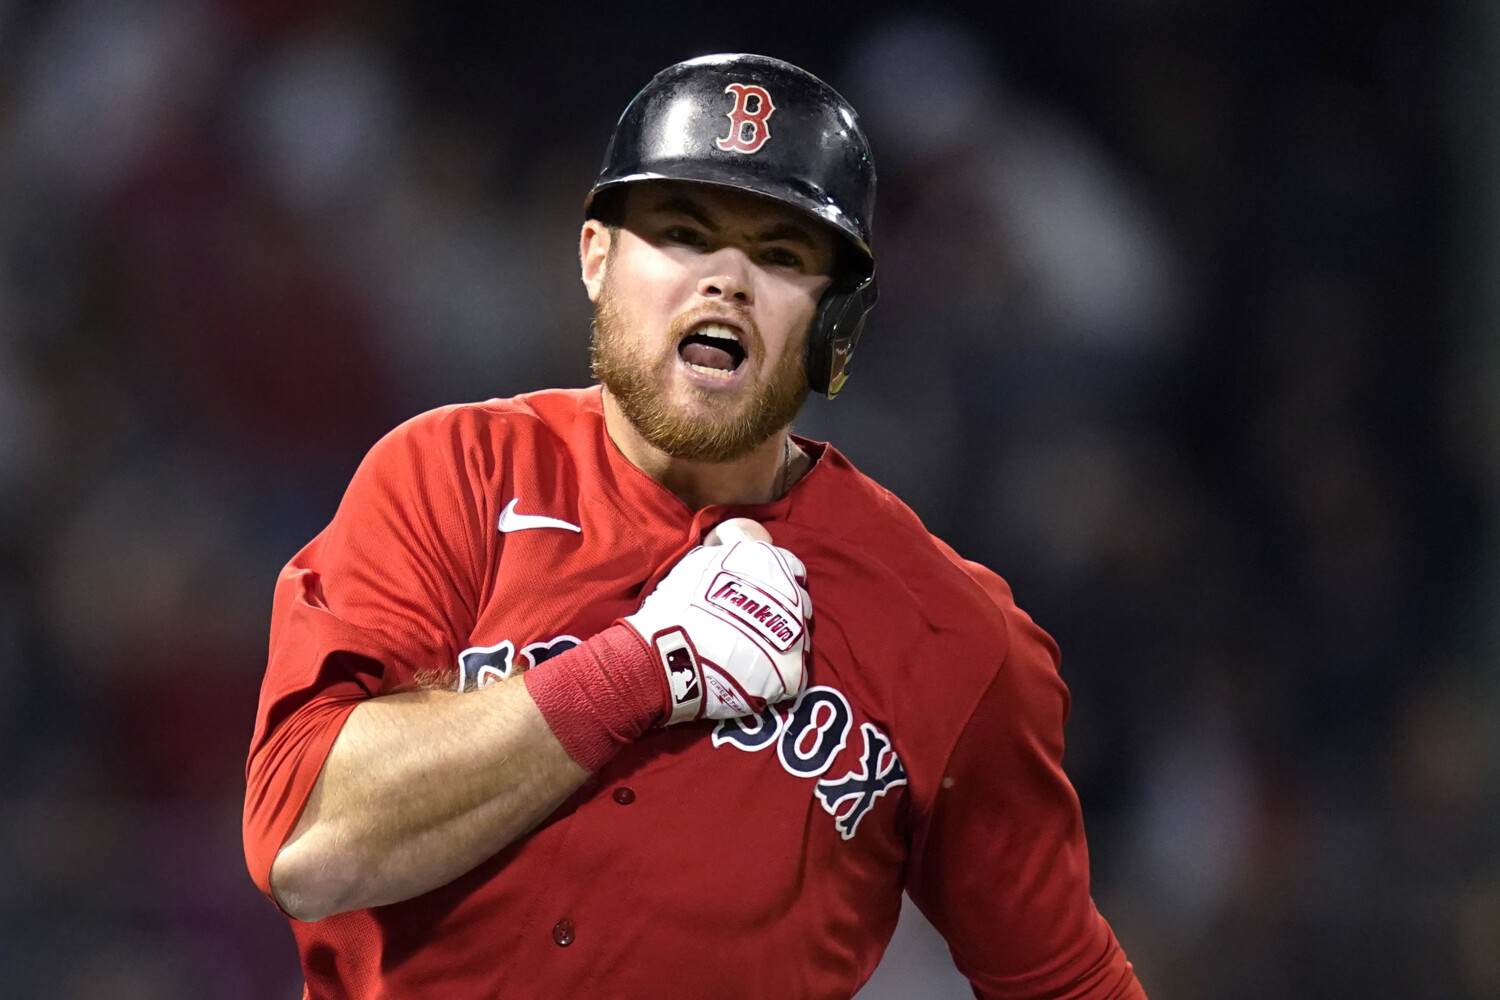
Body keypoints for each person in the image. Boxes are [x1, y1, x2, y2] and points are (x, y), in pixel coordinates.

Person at [243, 53, 1147, 999]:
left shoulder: (951, 631)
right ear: (597, 259)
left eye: (782, 255)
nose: (726, 280)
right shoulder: (451, 476)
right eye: (682, 234)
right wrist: (642, 667)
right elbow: (307, 848)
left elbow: (1068, 981)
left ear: (839, 320)